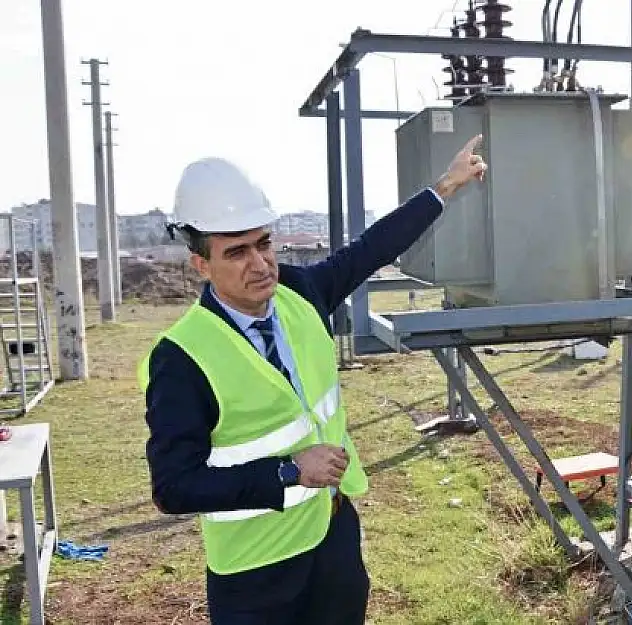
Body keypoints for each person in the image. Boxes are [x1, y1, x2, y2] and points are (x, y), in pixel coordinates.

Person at [137, 135, 487, 624]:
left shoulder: (300, 291)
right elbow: (174, 488)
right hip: (255, 570)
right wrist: (287, 470)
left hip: (332, 534)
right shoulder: (181, 359)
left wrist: (444, 187)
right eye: (236, 252)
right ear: (201, 264)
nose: (260, 265)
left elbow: (369, 250)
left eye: (263, 244)